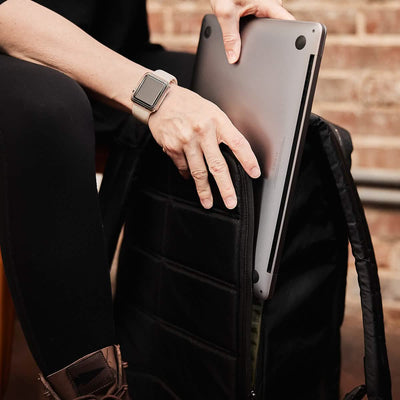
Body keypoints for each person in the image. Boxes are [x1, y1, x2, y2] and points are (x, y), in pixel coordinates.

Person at [0, 0, 293, 398]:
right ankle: (97, 389)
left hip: (110, 46)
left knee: (254, 100)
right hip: (18, 56)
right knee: (48, 108)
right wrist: (156, 98)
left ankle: (233, 371)